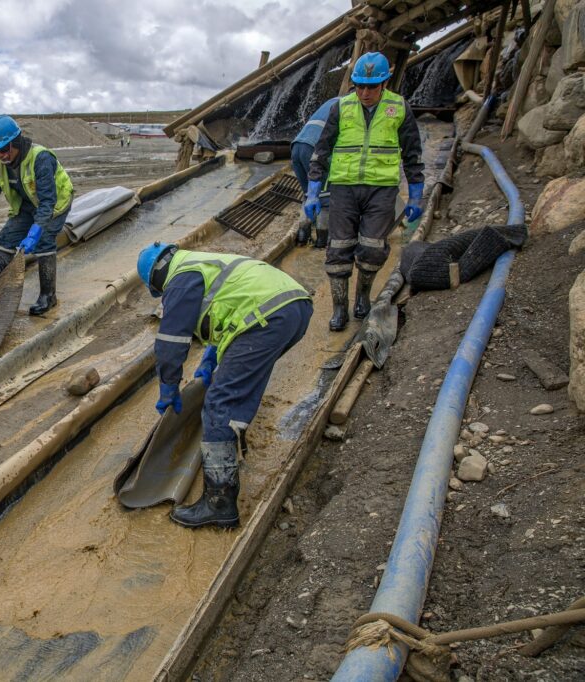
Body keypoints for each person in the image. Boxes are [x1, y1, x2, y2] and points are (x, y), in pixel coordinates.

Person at [136, 243, 312, 528]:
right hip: (292, 309)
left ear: (156, 278)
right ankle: (231, 453)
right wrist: (210, 357)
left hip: (270, 315)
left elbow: (170, 343)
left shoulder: (179, 281)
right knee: (238, 389)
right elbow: (230, 310)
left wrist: (168, 386)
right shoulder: (200, 264)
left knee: (220, 402)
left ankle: (219, 503)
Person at [305, 52, 425, 332]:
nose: (365, 92)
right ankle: (339, 309)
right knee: (338, 248)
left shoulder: (399, 108)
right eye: (360, 86)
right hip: (344, 189)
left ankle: (362, 298)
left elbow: (413, 155)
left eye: (371, 87)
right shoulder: (341, 108)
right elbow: (321, 152)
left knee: (372, 248)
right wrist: (312, 193)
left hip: (381, 191)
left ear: (384, 84)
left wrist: (416, 196)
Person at [0, 115, 74, 316]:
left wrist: (35, 232)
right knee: (4, 242)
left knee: (45, 241)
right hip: (27, 205)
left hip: (56, 204)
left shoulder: (41, 159)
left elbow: (48, 202)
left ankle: (49, 297)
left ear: (17, 142)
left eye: (4, 149)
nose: (0, 155)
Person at [290, 96, 338, 248]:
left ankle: (302, 236)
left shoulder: (330, 101)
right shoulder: (348, 106)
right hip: (315, 148)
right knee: (324, 196)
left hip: (296, 146)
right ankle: (321, 241)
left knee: (309, 194)